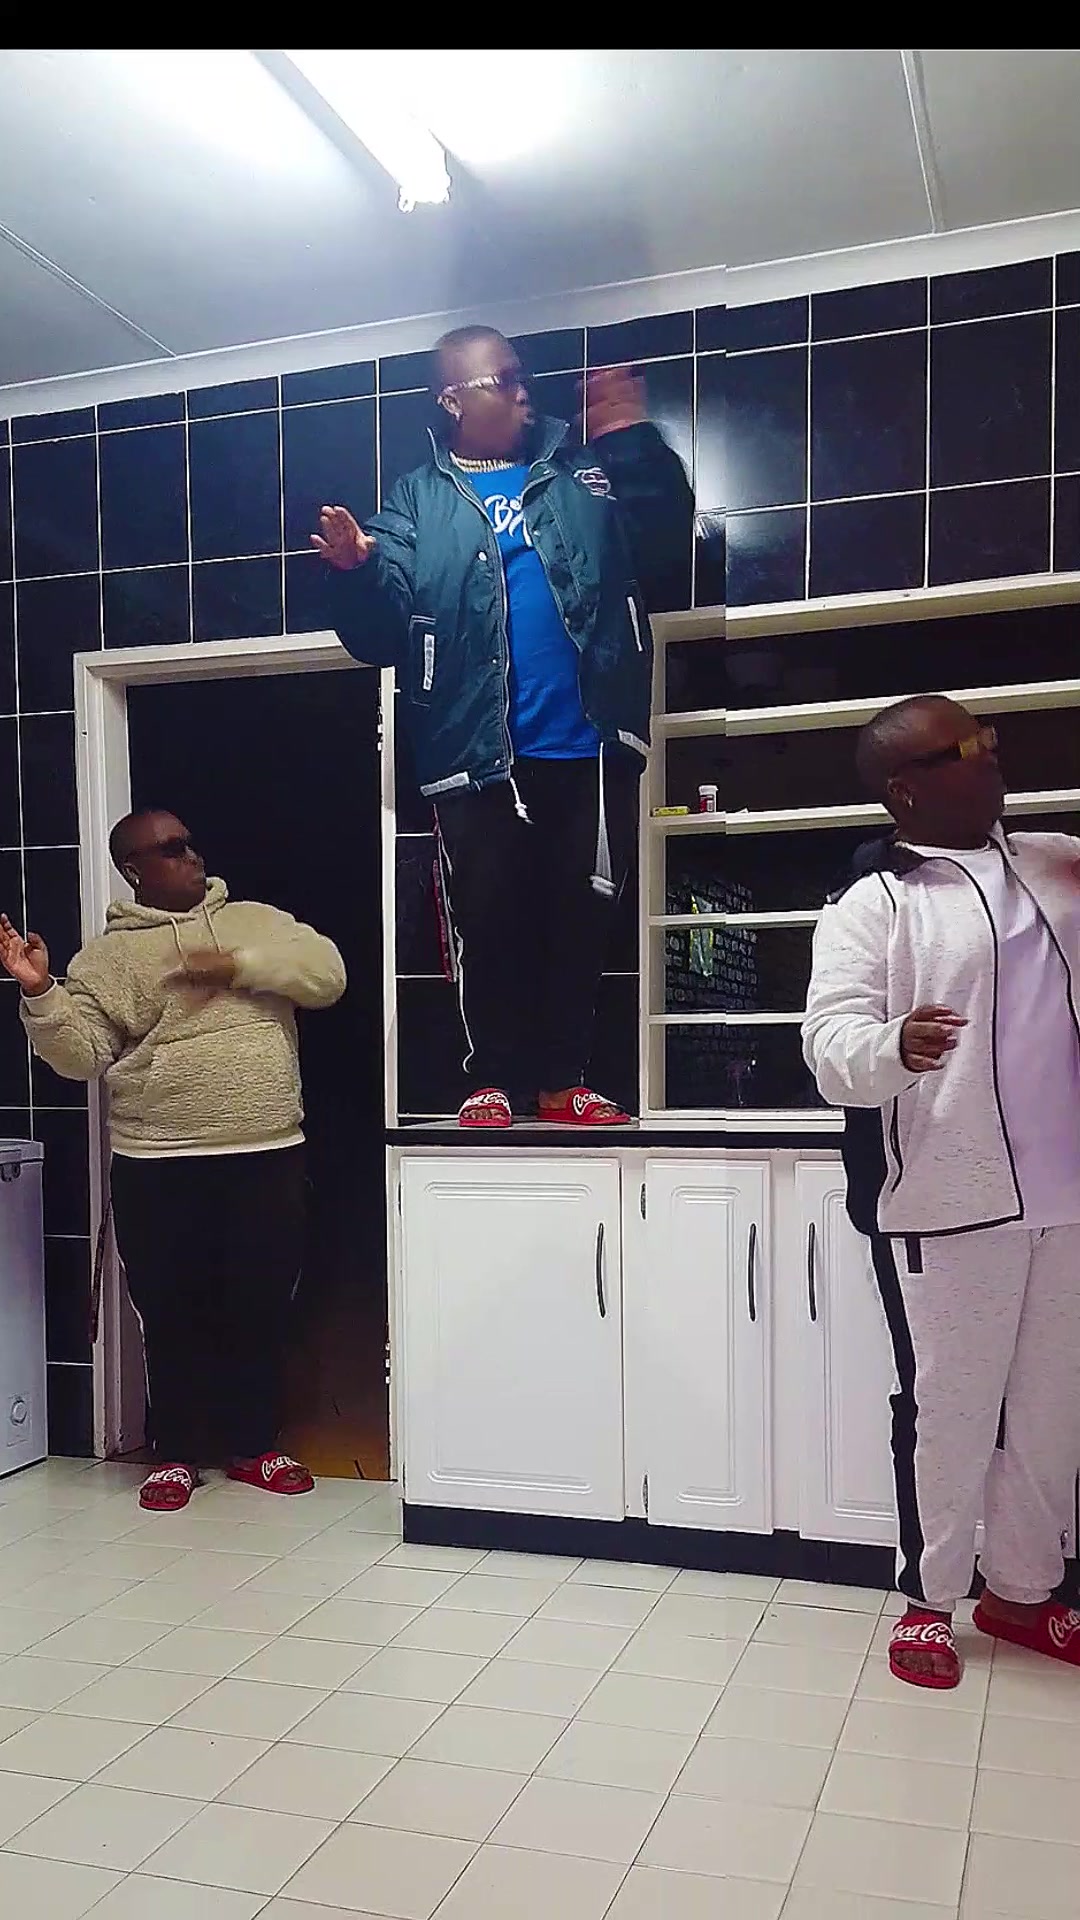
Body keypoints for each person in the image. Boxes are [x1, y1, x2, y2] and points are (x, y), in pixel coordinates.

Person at [313, 324, 694, 1128]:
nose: (525, 392)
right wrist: (355, 572)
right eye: (505, 380)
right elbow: (378, 634)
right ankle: (491, 1077)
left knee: (581, 918)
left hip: (589, 745)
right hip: (474, 753)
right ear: (452, 399)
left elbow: (664, 541)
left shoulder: (581, 470)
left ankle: (561, 1081)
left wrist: (630, 439)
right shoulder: (417, 499)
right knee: (486, 924)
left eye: (523, 377)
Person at [802, 694, 1080, 1689]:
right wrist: (892, 1047)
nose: (990, 753)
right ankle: (928, 1603)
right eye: (964, 746)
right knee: (948, 1411)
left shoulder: (1054, 863)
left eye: (988, 736)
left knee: (1051, 1412)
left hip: (1067, 1202)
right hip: (946, 1205)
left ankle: (1023, 1592)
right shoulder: (875, 903)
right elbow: (830, 1045)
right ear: (905, 790)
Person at [0, 810, 346, 1512]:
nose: (192, 854)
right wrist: (40, 991)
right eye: (170, 848)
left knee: (258, 1303)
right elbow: (81, 1057)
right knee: (170, 1309)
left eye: (188, 842)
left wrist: (237, 965)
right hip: (158, 1160)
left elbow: (327, 975)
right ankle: (178, 1451)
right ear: (133, 869)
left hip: (265, 1150)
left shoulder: (254, 921)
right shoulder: (105, 960)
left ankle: (253, 1444)